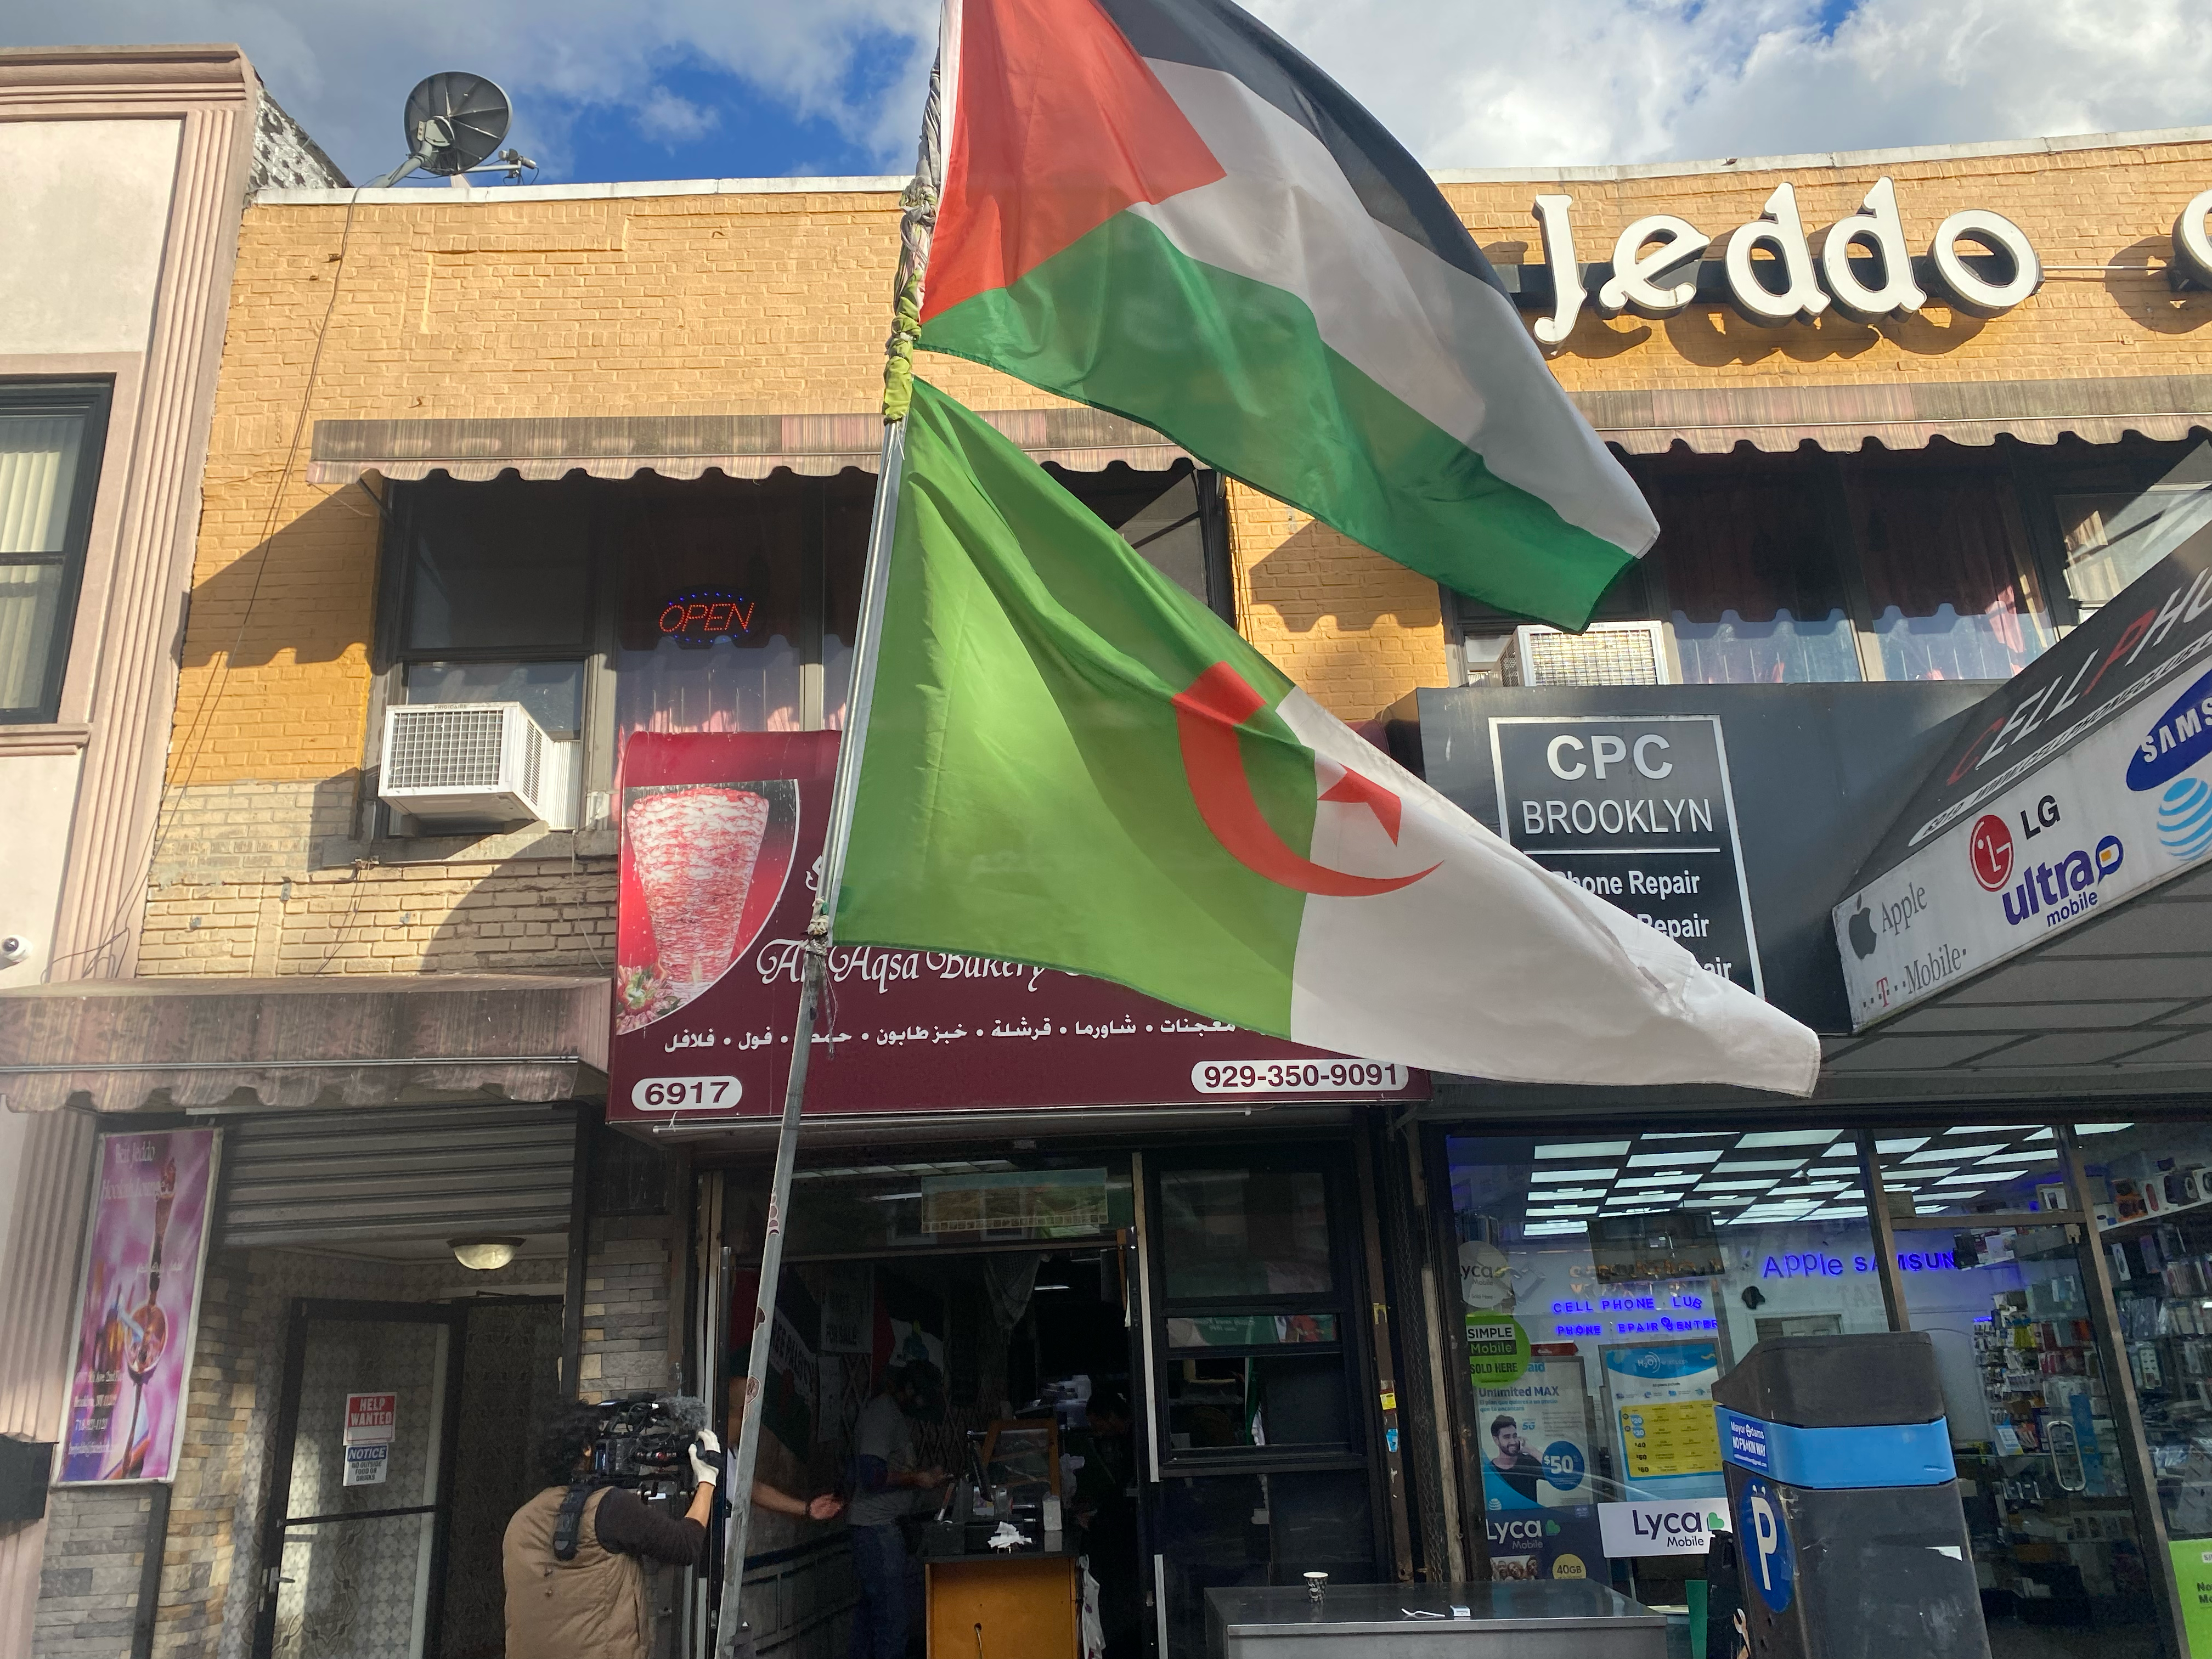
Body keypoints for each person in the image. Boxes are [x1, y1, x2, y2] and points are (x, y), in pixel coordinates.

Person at [504, 1403, 842, 1659]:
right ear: (586, 1449)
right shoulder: (608, 1507)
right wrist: (708, 1480)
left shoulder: (520, 1521)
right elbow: (684, 1545)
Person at [847, 1360, 950, 1659]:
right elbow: (870, 1474)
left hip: (883, 1530)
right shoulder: (881, 1415)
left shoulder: (894, 1416)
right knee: (892, 1623)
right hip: (876, 1530)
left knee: (872, 1621)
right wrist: (918, 1478)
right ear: (907, 1389)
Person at [1487, 1413, 1544, 1505]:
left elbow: (1559, 1476)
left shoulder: (1528, 1462)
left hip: (1533, 1519)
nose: (1513, 1441)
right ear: (1496, 1440)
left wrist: (1533, 1451)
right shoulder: (1490, 1471)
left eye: (1515, 1436)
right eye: (1507, 1437)